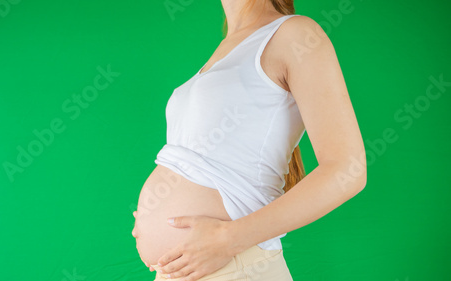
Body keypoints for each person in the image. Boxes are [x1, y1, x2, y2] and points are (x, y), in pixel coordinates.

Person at [132, 0, 367, 280]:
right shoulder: (228, 46)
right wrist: (154, 218)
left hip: (236, 269)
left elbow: (347, 170)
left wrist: (229, 238)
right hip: (182, 271)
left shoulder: (295, 34)